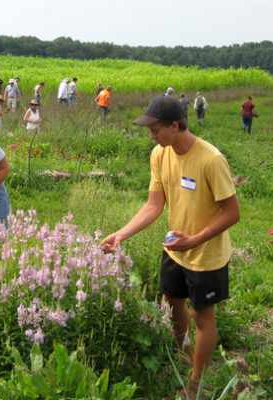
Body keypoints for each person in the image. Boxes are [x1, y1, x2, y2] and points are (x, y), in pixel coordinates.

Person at [100, 95, 240, 398]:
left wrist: (196, 239)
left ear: (175, 126)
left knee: (204, 317)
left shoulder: (210, 159)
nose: (151, 135)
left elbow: (233, 213)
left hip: (207, 255)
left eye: (155, 129)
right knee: (172, 302)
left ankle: (195, 383)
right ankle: (184, 357)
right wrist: (121, 234)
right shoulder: (159, 155)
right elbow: (154, 205)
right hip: (175, 249)